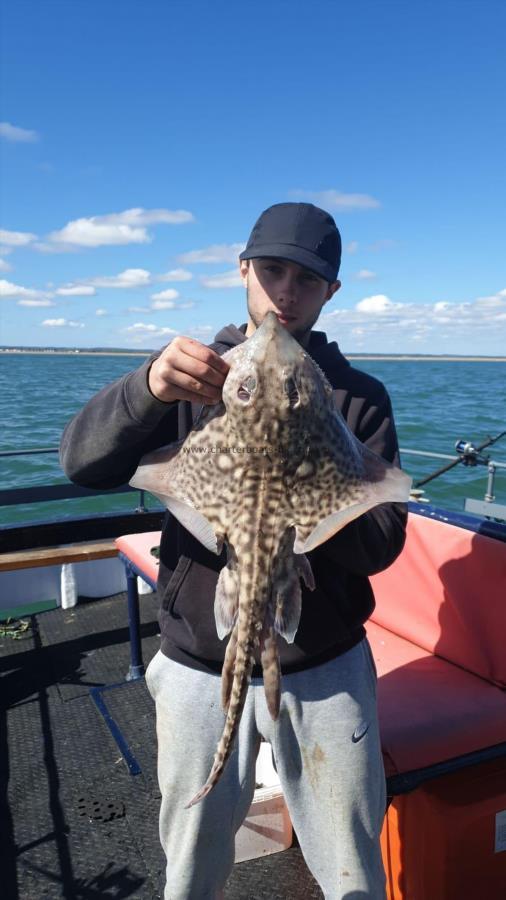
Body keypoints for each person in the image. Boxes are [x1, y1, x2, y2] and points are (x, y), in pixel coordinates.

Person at [60, 202, 407, 900]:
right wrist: (147, 388)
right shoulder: (191, 379)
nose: (286, 292)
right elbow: (82, 463)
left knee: (351, 868)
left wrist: (325, 450)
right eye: (272, 271)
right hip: (196, 662)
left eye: (307, 280)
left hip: (326, 670)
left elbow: (382, 544)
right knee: (189, 862)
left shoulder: (360, 398)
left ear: (330, 292)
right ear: (243, 268)